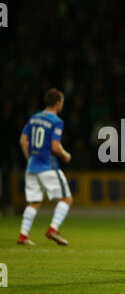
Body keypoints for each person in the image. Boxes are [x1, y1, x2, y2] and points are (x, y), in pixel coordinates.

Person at [17, 88, 72, 246]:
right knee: (67, 198)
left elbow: (22, 140)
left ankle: (23, 235)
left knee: (34, 202)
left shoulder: (34, 118)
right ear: (57, 102)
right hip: (47, 166)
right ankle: (53, 229)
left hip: (31, 167)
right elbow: (55, 147)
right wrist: (65, 154)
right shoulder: (56, 121)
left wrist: (30, 158)